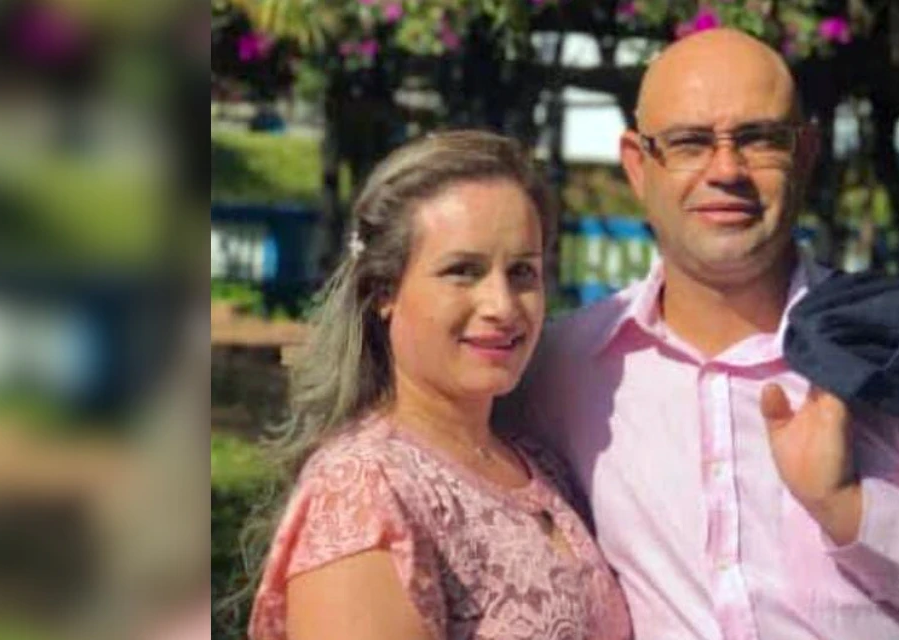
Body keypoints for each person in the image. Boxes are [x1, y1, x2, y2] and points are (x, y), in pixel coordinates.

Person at [503, 29, 899, 639]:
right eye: (689, 143)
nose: (726, 170)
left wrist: (854, 511)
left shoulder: (889, 349)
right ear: (637, 164)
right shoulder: (562, 368)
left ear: (805, 154)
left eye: (759, 139)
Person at [246, 130, 632, 640]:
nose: (501, 306)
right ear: (384, 291)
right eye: (463, 271)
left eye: (522, 272)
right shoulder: (364, 491)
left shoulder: (540, 465)